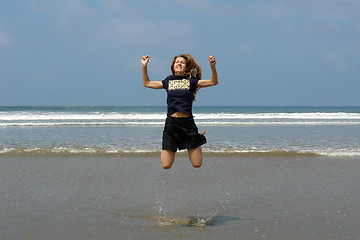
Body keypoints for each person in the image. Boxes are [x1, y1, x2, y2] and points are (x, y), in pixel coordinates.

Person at [141, 54, 218, 169]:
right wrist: (144, 66)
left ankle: (197, 137)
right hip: (172, 124)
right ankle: (194, 137)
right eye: (177, 62)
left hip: (188, 123)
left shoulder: (191, 81)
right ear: (173, 66)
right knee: (166, 165)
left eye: (182, 62)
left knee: (197, 164)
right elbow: (147, 83)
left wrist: (212, 66)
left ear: (186, 67)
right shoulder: (168, 81)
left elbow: (213, 81)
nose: (179, 63)